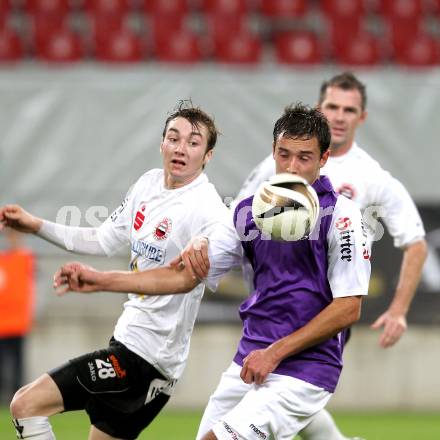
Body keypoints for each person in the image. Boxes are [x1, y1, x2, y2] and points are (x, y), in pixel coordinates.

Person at [54, 103, 371, 440]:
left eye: (304, 157)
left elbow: (348, 307)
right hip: (251, 361)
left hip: (304, 370)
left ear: (323, 159)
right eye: (283, 154)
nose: (291, 166)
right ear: (273, 152)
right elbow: (183, 277)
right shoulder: (247, 211)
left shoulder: (341, 215)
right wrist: (102, 279)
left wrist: (275, 353)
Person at [1, 101, 240, 440]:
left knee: (25, 405)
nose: (181, 148)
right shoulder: (148, 184)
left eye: (193, 142)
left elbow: (183, 279)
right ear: (161, 143)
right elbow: (101, 239)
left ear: (208, 155)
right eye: (174, 138)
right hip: (135, 350)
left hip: (143, 359)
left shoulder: (208, 209)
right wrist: (35, 225)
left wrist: (100, 280)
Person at [232, 71, 428, 440]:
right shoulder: (278, 164)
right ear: (320, 110)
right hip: (276, 300)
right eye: (332, 107)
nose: (339, 116)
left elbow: (415, 242)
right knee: (279, 396)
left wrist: (399, 310)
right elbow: (239, 220)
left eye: (349, 109)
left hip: (328, 305)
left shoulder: (371, 176)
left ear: (362, 117)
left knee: (281, 394)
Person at [0, 228, 35, 405]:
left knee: (17, 365)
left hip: (19, 322)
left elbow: (35, 288)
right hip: (1, 323)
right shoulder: (2, 260)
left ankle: (17, 398)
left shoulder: (26, 258)